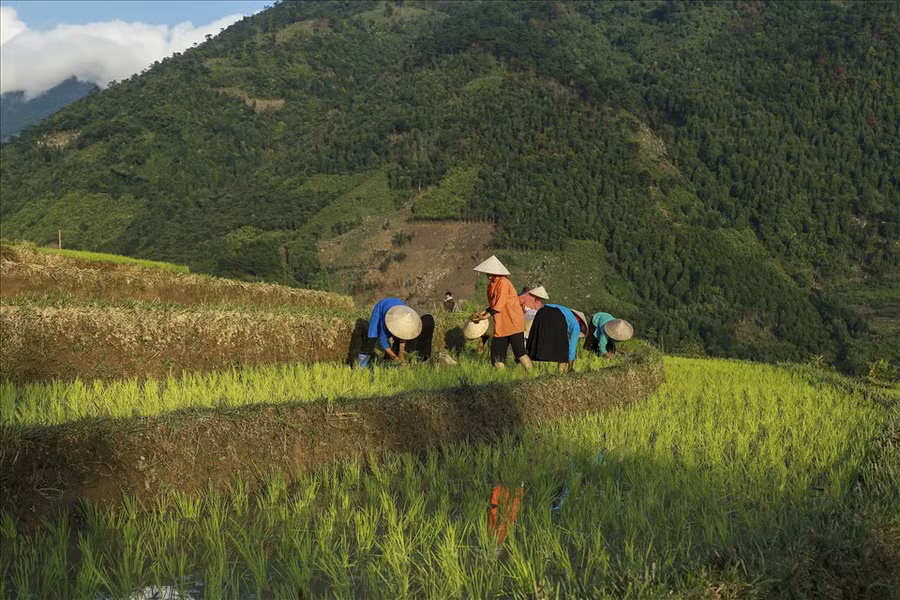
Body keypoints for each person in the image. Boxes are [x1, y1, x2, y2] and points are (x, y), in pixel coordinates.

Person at [470, 255, 532, 370]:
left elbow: (499, 304)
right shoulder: (491, 285)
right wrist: (483, 312)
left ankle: (531, 376)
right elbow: (494, 304)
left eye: (490, 272)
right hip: (501, 326)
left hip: (513, 324)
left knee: (520, 353)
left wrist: (484, 317)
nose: (487, 274)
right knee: (497, 355)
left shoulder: (504, 283)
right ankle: (501, 379)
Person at [358, 298, 423, 367]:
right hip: (382, 308)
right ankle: (361, 365)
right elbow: (382, 340)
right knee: (372, 337)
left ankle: (386, 361)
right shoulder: (386, 320)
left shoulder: (407, 316)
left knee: (400, 337)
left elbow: (404, 336)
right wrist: (394, 357)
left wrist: (401, 353)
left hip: (399, 307)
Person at [527, 304, 587, 372]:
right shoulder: (576, 325)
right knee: (564, 348)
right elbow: (572, 346)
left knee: (534, 343)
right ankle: (561, 372)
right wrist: (570, 366)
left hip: (541, 311)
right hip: (556, 314)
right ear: (580, 322)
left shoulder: (567, 312)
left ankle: (529, 371)